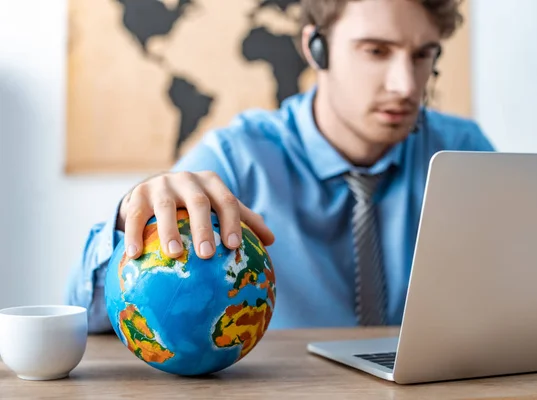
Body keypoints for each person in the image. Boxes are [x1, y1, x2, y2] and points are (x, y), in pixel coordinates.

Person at [66, 0, 495, 333]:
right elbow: (83, 316)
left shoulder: (464, 151)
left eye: (423, 55)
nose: (405, 84)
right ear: (316, 48)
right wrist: (128, 230)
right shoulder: (238, 158)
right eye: (377, 51)